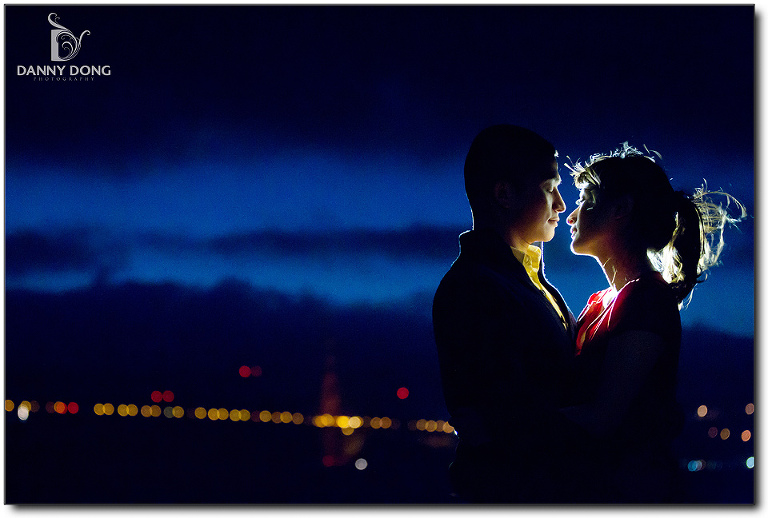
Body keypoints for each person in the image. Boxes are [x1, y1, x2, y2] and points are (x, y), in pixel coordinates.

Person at [561, 143, 745, 503]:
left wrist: (509, 425)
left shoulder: (646, 300)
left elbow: (603, 417)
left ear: (621, 210)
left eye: (585, 201)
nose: (571, 216)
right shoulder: (601, 302)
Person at [432, 124, 579, 503]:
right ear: (504, 194)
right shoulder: (473, 288)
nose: (561, 204)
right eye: (550, 188)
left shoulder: (527, 281)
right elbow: (507, 417)